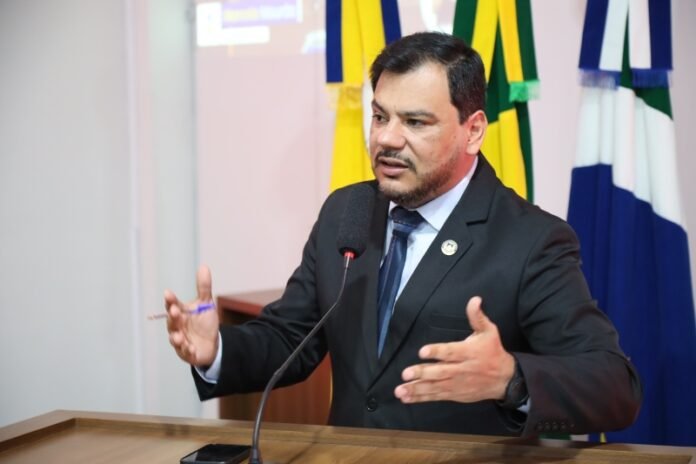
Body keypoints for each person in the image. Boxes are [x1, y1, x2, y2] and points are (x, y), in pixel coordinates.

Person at [165, 32, 641, 437]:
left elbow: (616, 386)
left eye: (414, 122)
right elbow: (292, 336)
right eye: (380, 116)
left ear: (473, 130)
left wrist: (511, 379)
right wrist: (216, 351)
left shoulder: (531, 239)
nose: (387, 139)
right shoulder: (347, 212)